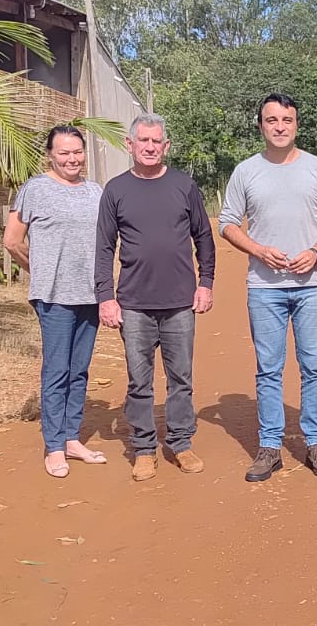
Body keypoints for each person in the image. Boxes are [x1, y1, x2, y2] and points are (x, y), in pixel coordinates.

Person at [218, 93, 317, 482]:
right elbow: (227, 222)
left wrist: (316, 251)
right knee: (268, 369)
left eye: (286, 120)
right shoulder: (246, 171)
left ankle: (315, 443)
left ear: (296, 124)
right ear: (261, 125)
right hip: (264, 287)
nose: (279, 126)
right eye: (271, 120)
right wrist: (257, 250)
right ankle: (270, 446)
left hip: (312, 285)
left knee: (313, 366)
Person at [95, 114, 216, 482]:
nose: (150, 147)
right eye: (143, 141)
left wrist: (205, 282)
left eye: (156, 142)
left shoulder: (184, 186)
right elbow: (103, 247)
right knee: (139, 381)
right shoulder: (116, 190)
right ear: (130, 145)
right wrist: (106, 297)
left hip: (180, 302)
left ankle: (181, 443)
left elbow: (204, 238)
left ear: (166, 147)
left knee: (181, 378)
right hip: (134, 304)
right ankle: (144, 448)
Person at [2, 125, 106, 478]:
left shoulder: (95, 191)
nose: (72, 158)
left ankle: (73, 438)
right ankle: (54, 446)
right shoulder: (35, 189)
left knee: (79, 369)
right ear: (50, 155)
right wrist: (41, 269)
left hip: (90, 295)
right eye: (64, 153)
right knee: (57, 369)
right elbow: (12, 240)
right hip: (53, 296)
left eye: (77, 152)